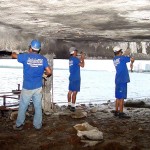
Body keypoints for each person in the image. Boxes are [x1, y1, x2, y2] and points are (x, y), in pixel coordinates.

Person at [12, 39, 52, 130]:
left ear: (30, 48)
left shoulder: (25, 57)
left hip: (27, 87)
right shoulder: (43, 59)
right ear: (38, 49)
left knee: (23, 106)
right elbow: (49, 72)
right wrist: (44, 75)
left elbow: (13, 55)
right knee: (38, 106)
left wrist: (16, 52)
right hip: (38, 87)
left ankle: (19, 125)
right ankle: (37, 125)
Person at [113, 46, 134, 118]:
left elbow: (124, 59)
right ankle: (121, 113)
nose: (122, 53)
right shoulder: (122, 58)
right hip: (123, 79)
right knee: (121, 97)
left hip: (118, 79)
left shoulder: (114, 59)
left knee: (118, 96)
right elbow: (131, 59)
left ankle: (116, 111)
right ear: (118, 52)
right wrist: (131, 60)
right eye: (121, 52)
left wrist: (125, 55)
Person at [67, 47, 85, 112]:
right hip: (76, 78)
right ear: (73, 52)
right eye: (76, 51)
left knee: (70, 91)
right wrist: (82, 58)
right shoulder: (75, 59)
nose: (77, 52)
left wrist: (79, 58)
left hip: (71, 76)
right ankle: (73, 106)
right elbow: (82, 65)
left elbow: (76, 63)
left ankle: (69, 104)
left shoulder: (71, 59)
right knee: (74, 92)